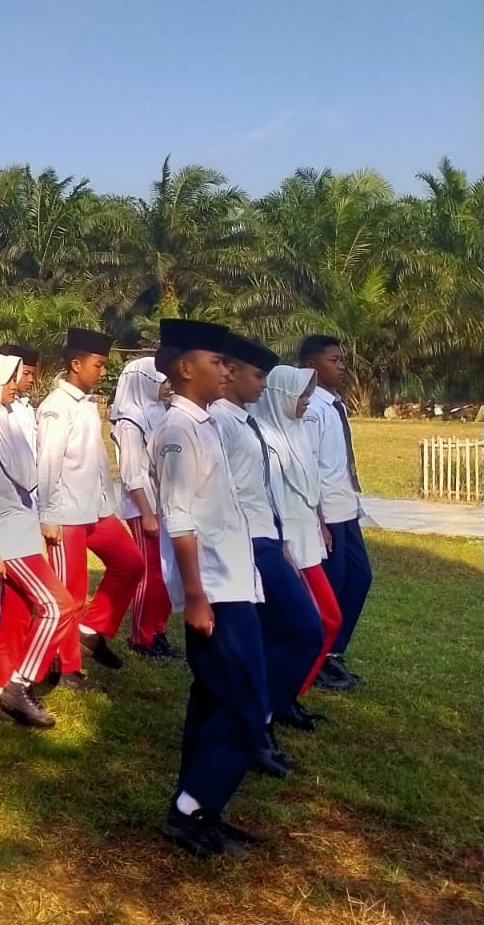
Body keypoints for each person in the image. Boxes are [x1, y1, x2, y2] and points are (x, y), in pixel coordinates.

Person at [152, 319, 273, 858]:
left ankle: (199, 805)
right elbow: (180, 519)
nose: (226, 371)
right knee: (247, 705)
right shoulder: (178, 430)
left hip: (231, 580)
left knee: (214, 698)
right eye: (217, 362)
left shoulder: (204, 424)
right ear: (185, 368)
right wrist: (196, 595)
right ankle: (190, 810)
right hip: (215, 589)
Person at [0, 352, 78, 728]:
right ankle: (19, 684)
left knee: (19, 617)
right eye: (9, 379)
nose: (16, 384)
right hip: (5, 538)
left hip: (20, 532)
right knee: (59, 606)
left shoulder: (4, 418)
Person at [212, 336, 315, 771]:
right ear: (232, 372)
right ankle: (257, 724)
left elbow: (261, 488)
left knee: (281, 633)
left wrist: (281, 538)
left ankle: (259, 720)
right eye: (257, 376)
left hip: (266, 537)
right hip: (247, 542)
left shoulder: (246, 420)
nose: (261, 385)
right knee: (304, 629)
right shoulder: (219, 422)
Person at [36, 327, 144, 689]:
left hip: (95, 509)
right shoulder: (56, 407)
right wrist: (47, 515)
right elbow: (47, 463)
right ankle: (65, 667)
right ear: (76, 364)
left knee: (131, 562)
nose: (103, 371)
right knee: (70, 592)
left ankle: (91, 630)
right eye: (98, 364)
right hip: (65, 513)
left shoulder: (86, 403)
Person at [251, 361, 334, 733]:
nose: (306, 401)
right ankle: (280, 698)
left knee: (316, 621)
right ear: (281, 395)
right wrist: (284, 541)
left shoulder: (296, 430)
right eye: (301, 395)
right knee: (321, 620)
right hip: (286, 541)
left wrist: (320, 523)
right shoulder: (264, 437)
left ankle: (286, 696)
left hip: (305, 536)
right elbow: (272, 496)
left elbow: (309, 485)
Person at [298, 335, 371, 689]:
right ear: (311, 366)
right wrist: (318, 520)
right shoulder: (311, 409)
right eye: (334, 360)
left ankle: (333, 651)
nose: (342, 366)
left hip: (345, 507)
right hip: (326, 510)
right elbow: (308, 466)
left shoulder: (334, 405)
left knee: (360, 577)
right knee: (333, 582)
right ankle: (316, 656)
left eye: (342, 360)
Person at [112, 356, 178, 660]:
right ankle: (141, 635)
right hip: (143, 506)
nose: (169, 386)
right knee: (151, 572)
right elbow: (131, 473)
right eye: (163, 380)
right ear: (145, 382)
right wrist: (147, 512)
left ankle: (157, 630)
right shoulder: (130, 421)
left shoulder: (160, 412)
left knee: (168, 571)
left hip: (163, 502)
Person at [0, 342, 40, 634]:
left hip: (28, 489)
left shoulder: (26, 408)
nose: (27, 380)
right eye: (23, 373)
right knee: (3, 552)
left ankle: (11, 613)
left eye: (30, 374)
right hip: (4, 494)